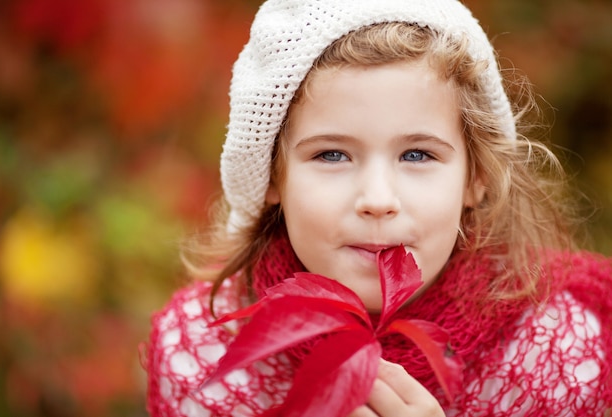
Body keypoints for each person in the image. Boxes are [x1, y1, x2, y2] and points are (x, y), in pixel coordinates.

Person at [144, 0, 612, 416]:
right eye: (331, 155)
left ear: (476, 177)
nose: (378, 200)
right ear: (273, 176)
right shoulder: (203, 355)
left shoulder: (551, 355)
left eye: (417, 155)